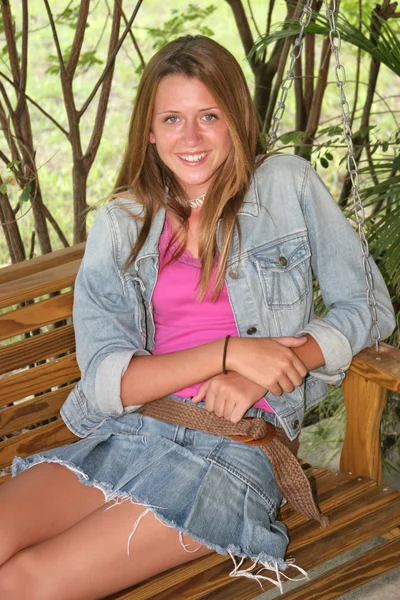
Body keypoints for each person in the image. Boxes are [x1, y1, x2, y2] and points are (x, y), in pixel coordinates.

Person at [0, 35, 395, 599]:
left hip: (232, 455)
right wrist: (227, 352)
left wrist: (271, 366)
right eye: (172, 118)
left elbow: (369, 306)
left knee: (25, 584)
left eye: (209, 115)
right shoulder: (123, 222)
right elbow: (110, 381)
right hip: (130, 432)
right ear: (150, 130)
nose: (190, 137)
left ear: (236, 118)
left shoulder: (286, 185)